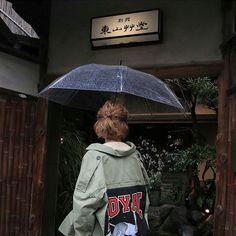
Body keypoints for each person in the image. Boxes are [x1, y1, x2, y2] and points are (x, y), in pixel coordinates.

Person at [59, 100, 150, 236]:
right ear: (124, 125)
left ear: (100, 125)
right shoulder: (136, 157)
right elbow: (145, 200)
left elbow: (84, 207)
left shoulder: (94, 157)